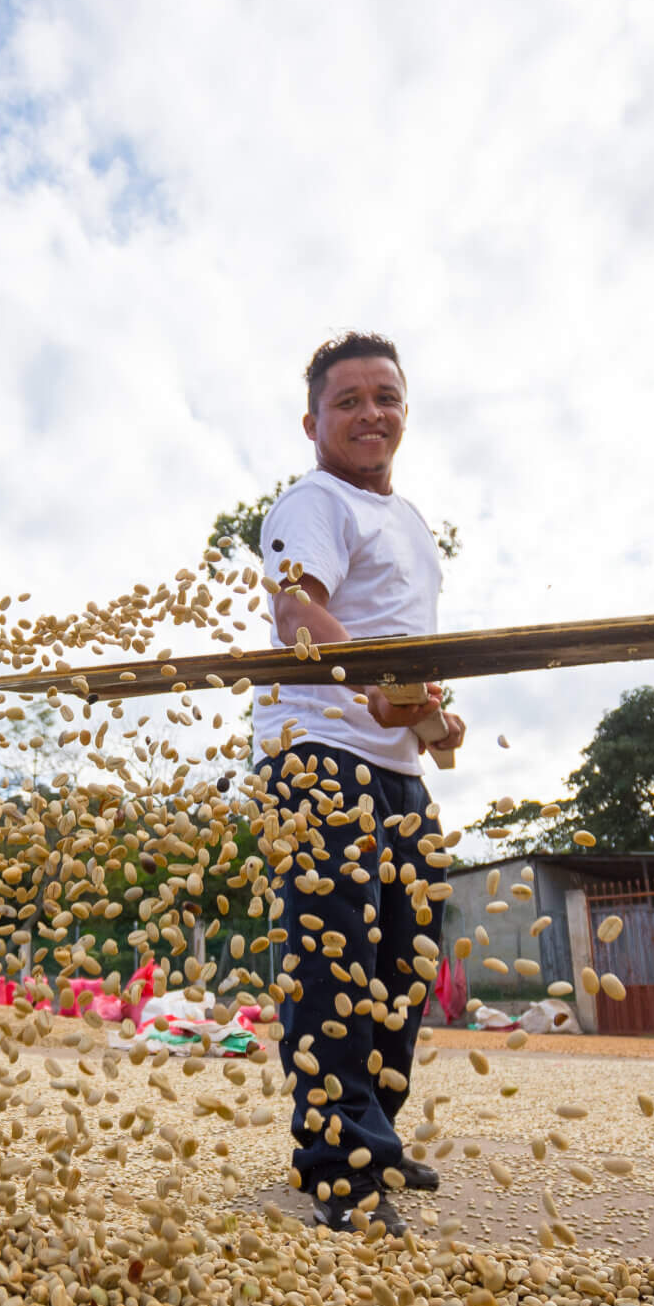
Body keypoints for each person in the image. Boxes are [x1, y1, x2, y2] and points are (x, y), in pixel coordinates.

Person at [251, 332, 467, 1235]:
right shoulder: (314, 501)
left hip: (395, 763)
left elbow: (401, 650)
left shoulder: (410, 522)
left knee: (403, 962)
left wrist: (429, 712)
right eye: (348, 400)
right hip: (317, 752)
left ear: (405, 410)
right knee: (335, 953)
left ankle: (374, 1131)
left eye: (386, 397)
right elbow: (298, 611)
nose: (370, 413)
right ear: (313, 423)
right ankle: (340, 1165)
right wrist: (373, 682)